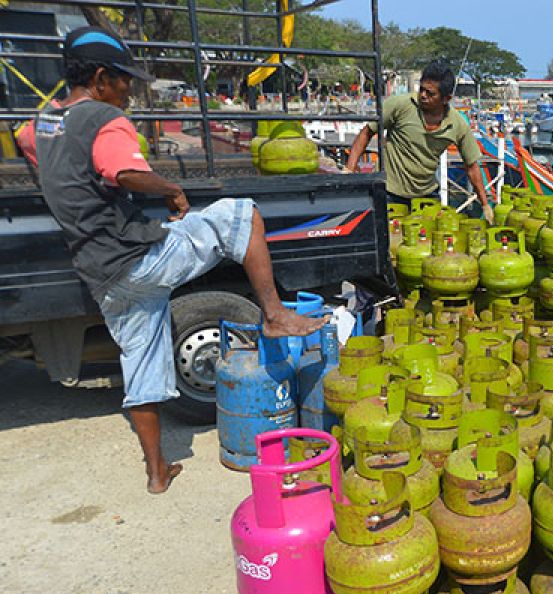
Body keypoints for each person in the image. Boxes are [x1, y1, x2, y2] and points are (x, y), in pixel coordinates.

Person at [23, 27, 321, 494]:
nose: (129, 91)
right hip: (138, 258)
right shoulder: (105, 120)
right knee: (242, 215)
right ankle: (275, 313)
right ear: (101, 78)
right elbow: (123, 170)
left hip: (101, 273)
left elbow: (37, 151)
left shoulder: (42, 123)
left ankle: (158, 472)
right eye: (124, 81)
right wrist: (172, 189)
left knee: (140, 363)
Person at [345, 61, 493, 223]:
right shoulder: (400, 105)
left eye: (430, 93)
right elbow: (367, 132)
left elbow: (471, 166)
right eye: (421, 89)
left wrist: (485, 205)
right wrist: (349, 170)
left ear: (446, 99)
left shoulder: (457, 125)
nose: (423, 95)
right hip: (390, 191)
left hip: (426, 194)